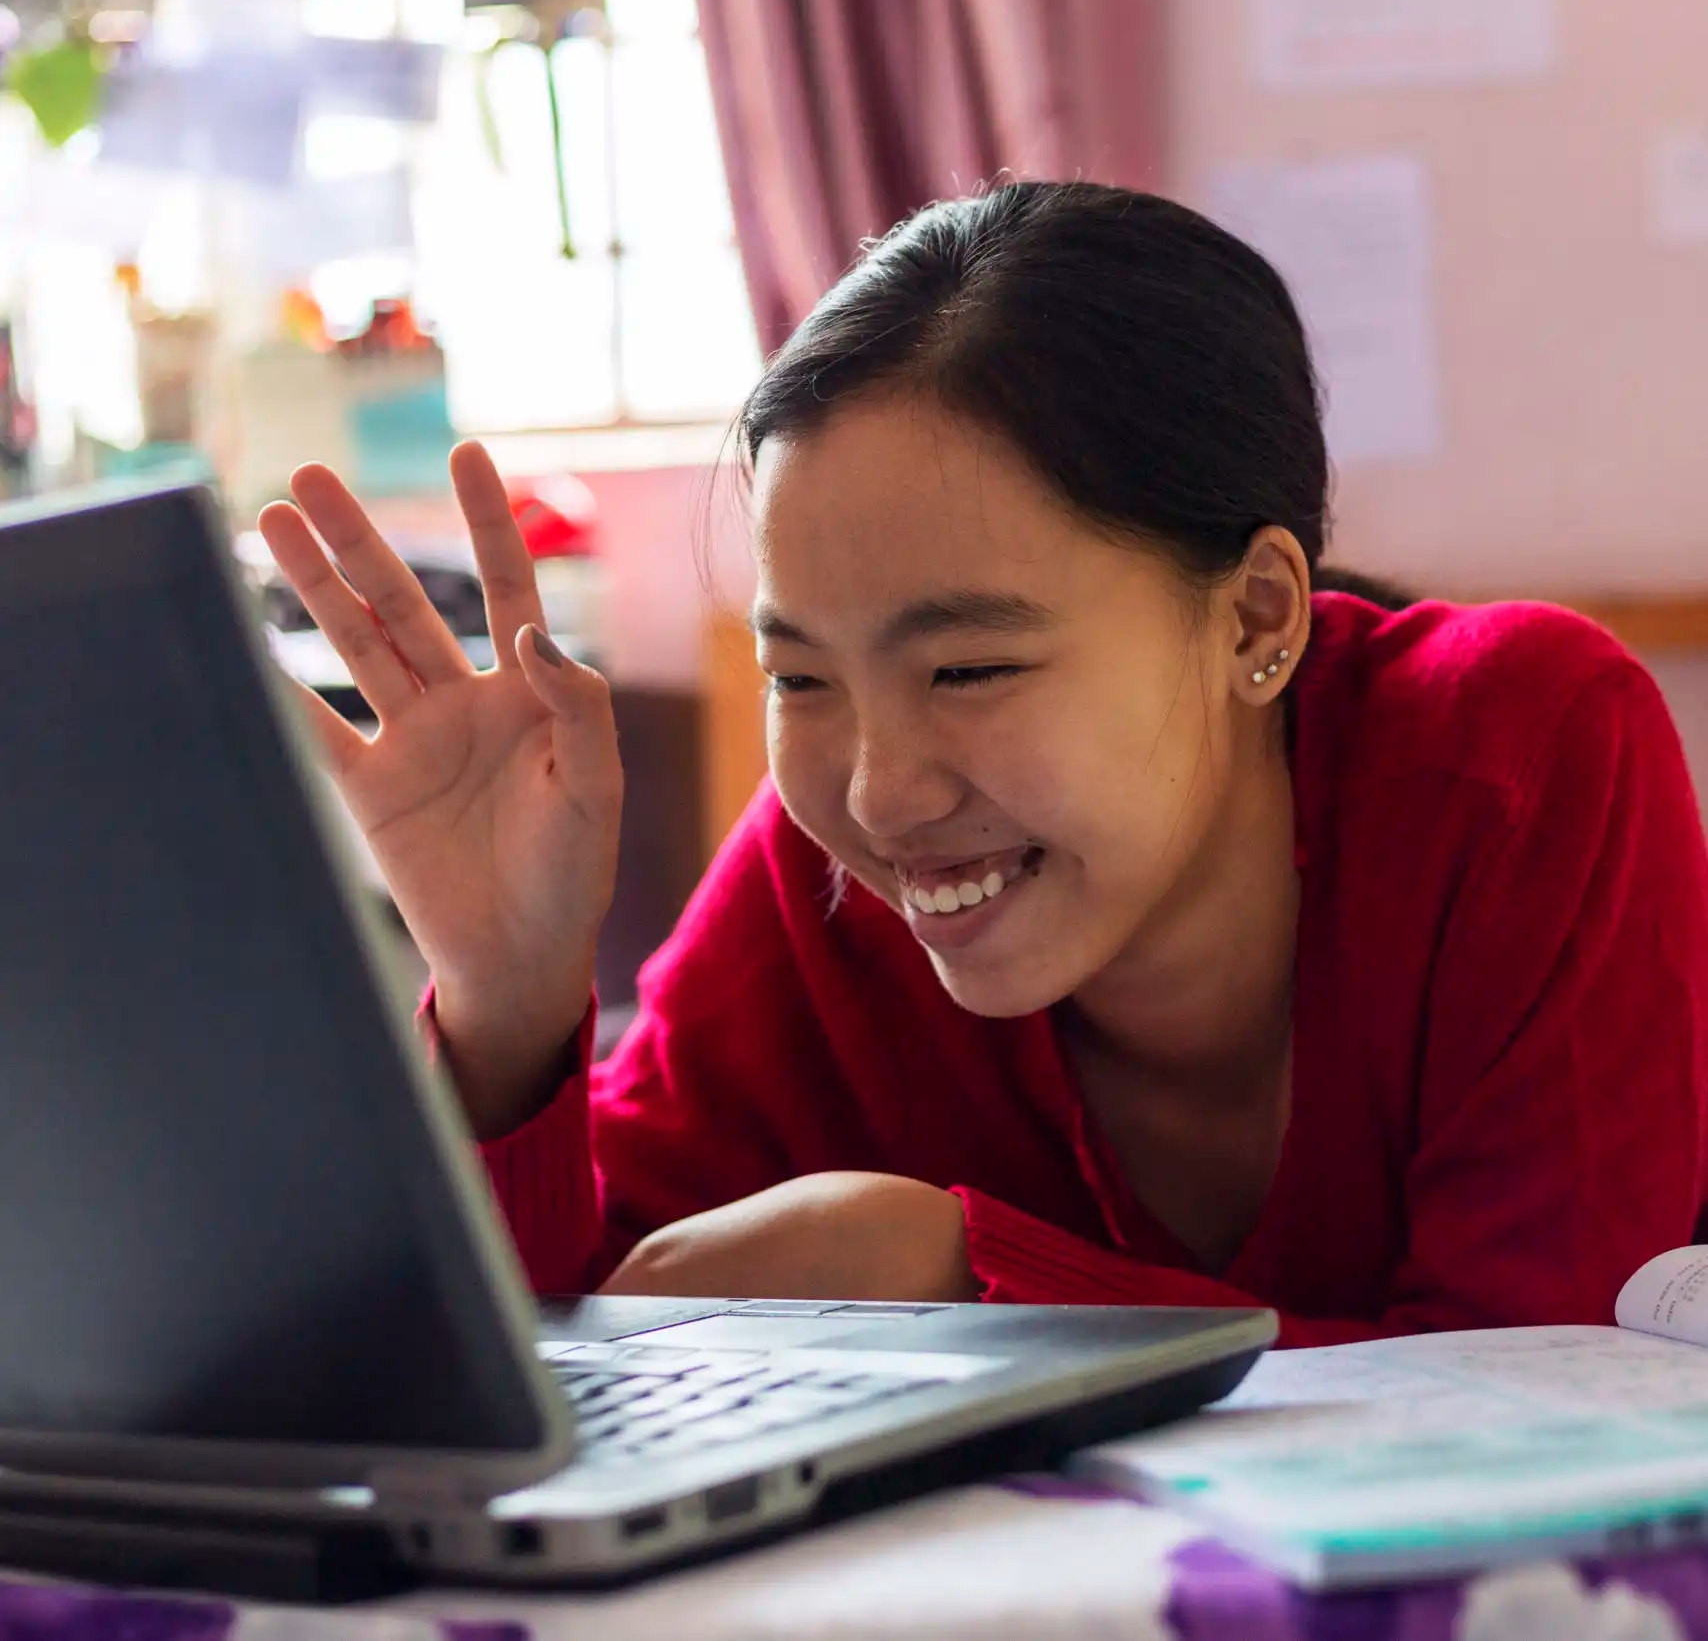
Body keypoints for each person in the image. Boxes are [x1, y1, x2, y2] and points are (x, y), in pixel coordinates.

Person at [261, 182, 1708, 1348]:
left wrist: (971, 1284)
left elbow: (1551, 1393)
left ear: (1257, 614)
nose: (881, 793)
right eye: (799, 677)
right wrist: (509, 1011)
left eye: (971, 668)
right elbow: (550, 1355)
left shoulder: (1514, 758)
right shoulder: (830, 876)